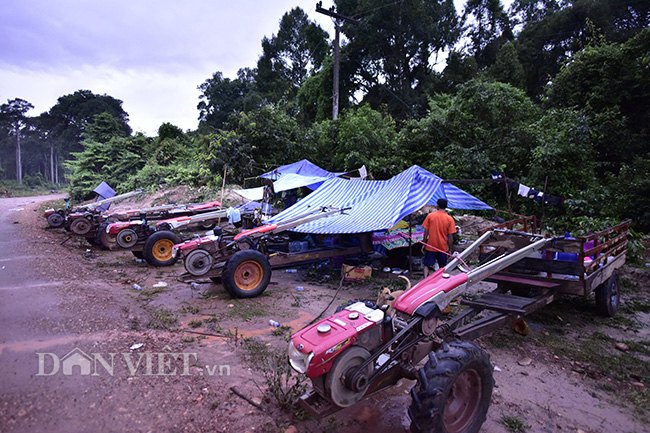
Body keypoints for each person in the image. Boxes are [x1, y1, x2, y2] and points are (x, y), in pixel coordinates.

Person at [421, 198, 456, 278]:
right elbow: (450, 235)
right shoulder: (449, 219)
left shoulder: (430, 216)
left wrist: (424, 243)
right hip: (442, 246)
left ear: (437, 205)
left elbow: (426, 231)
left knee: (426, 264)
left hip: (431, 245)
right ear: (446, 206)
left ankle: (425, 279)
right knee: (442, 266)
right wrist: (450, 249)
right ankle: (440, 281)